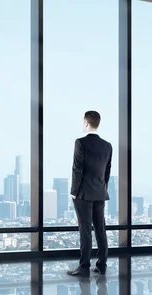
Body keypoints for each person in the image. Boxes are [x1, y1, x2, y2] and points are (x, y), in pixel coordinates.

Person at [67, 111, 112, 277]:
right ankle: (102, 265)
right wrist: (102, 188)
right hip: (100, 192)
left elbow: (77, 168)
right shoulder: (107, 145)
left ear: (86, 123)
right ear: (98, 123)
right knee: (100, 229)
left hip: (83, 193)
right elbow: (107, 172)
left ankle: (84, 266)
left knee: (85, 230)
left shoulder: (80, 142)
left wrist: (74, 191)